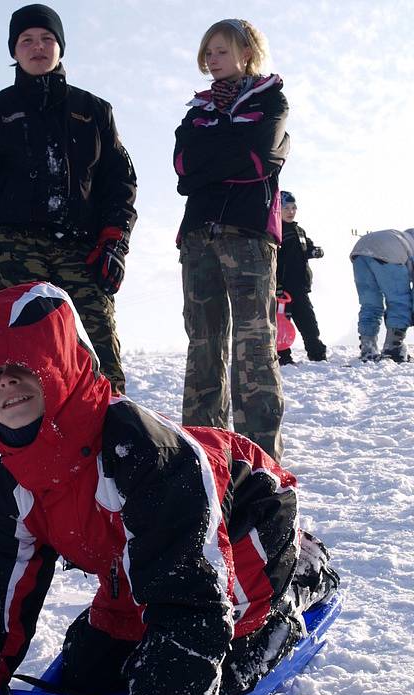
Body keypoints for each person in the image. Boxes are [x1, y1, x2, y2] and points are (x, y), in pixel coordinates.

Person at [0, 282, 339, 695]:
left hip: (247, 512)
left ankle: (300, 575)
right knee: (92, 663)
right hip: (144, 551)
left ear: (62, 364)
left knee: (219, 658)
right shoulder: (18, 479)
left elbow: (190, 593)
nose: (5, 382)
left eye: (22, 365)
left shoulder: (146, 454)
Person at [0, 4, 137, 393]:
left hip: (80, 250)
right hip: (10, 250)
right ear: (14, 51)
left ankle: (107, 446)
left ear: (61, 47)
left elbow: (120, 182)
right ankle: (29, 451)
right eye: (27, 40)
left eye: (47, 39)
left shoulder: (94, 111)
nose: (38, 47)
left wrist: (114, 242)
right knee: (25, 360)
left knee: (98, 361)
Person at [173, 18, 289, 462]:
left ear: (246, 52)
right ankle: (204, 457)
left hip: (250, 236)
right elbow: (185, 166)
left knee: (253, 348)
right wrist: (228, 152)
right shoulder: (196, 112)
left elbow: (260, 157)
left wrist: (214, 159)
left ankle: (261, 463)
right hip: (198, 237)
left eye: (221, 50)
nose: (212, 59)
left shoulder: (271, 101)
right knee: (203, 346)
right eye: (208, 52)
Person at [276, 191, 327, 365]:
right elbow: (272, 261)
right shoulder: (275, 231)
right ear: (277, 208)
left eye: (293, 208)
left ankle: (317, 354)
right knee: (282, 323)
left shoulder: (299, 230)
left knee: (308, 322)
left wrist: (314, 251)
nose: (291, 212)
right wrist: (277, 285)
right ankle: (283, 357)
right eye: (286, 208)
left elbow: (306, 248)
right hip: (283, 289)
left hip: (300, 286)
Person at [350, 229, 414, 362]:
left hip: (359, 251)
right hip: (388, 253)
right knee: (399, 302)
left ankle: (368, 349)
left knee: (370, 304)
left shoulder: (403, 237)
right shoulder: (407, 245)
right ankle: (393, 348)